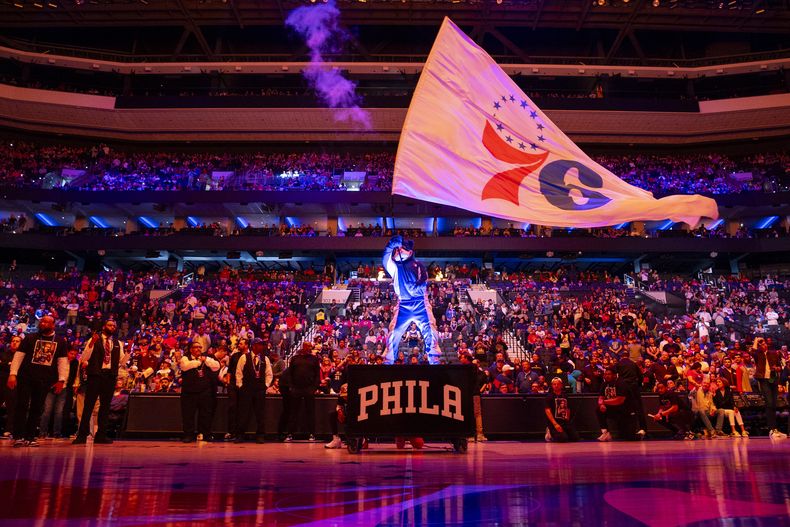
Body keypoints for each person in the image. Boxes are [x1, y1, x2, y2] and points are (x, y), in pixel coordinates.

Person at [8, 315, 69, 447]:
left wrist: (62, 380)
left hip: (45, 380)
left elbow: (62, 362)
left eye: (46, 322)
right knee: (22, 405)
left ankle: (30, 437)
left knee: (37, 408)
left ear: (53, 325)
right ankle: (18, 436)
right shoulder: (30, 338)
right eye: (42, 321)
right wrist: (13, 374)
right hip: (26, 377)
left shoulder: (60, 341)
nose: (43, 323)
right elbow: (18, 356)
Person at [382, 236, 441, 364]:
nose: (398, 251)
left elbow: (423, 281)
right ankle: (388, 359)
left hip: (420, 302)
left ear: (409, 252)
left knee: (429, 328)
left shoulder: (418, 264)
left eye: (401, 249)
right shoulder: (395, 266)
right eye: (396, 249)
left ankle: (434, 358)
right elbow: (385, 259)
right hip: (403, 303)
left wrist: (415, 287)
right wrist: (391, 245)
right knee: (394, 331)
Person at [73, 319, 129, 445]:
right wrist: (92, 343)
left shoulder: (117, 343)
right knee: (88, 406)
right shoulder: (94, 339)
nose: (112, 327)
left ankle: (101, 435)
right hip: (95, 375)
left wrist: (128, 351)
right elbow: (84, 357)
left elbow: (122, 362)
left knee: (105, 407)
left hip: (110, 376)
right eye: (110, 325)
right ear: (104, 327)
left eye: (114, 325)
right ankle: (82, 435)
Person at [179, 341, 220, 443]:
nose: (198, 349)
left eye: (200, 347)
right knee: (188, 414)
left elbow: (216, 366)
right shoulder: (185, 358)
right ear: (191, 349)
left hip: (204, 391)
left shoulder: (206, 358)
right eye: (196, 347)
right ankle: (188, 435)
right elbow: (185, 366)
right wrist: (198, 362)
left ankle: (206, 434)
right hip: (189, 392)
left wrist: (205, 360)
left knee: (205, 414)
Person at [235, 339, 273, 443]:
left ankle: (260, 435)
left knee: (260, 413)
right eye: (260, 345)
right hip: (246, 389)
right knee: (243, 413)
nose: (262, 347)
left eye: (262, 345)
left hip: (260, 390)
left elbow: (269, 374)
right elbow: (238, 372)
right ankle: (240, 435)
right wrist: (240, 386)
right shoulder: (244, 357)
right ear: (254, 346)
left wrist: (265, 385)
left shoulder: (265, 359)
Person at [751, 337, 786, 439]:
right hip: (763, 380)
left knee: (773, 404)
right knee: (769, 403)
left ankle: (775, 429)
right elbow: (752, 351)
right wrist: (756, 340)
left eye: (764, 343)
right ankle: (771, 429)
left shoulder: (773, 353)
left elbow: (780, 367)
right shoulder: (758, 354)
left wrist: (777, 368)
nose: (764, 345)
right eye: (761, 344)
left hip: (773, 379)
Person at [285, 342, 320, 441]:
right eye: (308, 346)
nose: (310, 348)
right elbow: (290, 373)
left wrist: (314, 388)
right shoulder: (295, 358)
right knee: (293, 412)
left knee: (310, 411)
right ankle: (290, 434)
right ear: (303, 347)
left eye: (310, 346)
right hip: (296, 388)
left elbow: (317, 374)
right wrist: (291, 386)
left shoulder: (314, 359)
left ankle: (312, 433)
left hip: (309, 388)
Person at [597, 367, 637, 441]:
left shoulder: (621, 383)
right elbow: (600, 397)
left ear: (615, 375)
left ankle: (640, 434)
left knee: (630, 437)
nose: (607, 376)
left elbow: (620, 400)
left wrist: (604, 402)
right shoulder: (604, 384)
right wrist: (601, 404)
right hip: (614, 408)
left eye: (609, 374)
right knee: (598, 409)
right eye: (605, 374)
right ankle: (605, 432)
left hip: (626, 410)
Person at [544, 377, 579, 442]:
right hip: (554, 423)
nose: (556, 386)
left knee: (575, 438)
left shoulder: (565, 395)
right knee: (563, 438)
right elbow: (547, 410)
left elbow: (568, 408)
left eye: (558, 384)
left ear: (561, 385)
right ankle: (549, 433)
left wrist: (567, 420)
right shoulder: (549, 396)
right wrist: (555, 424)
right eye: (554, 384)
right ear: (552, 385)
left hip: (564, 422)